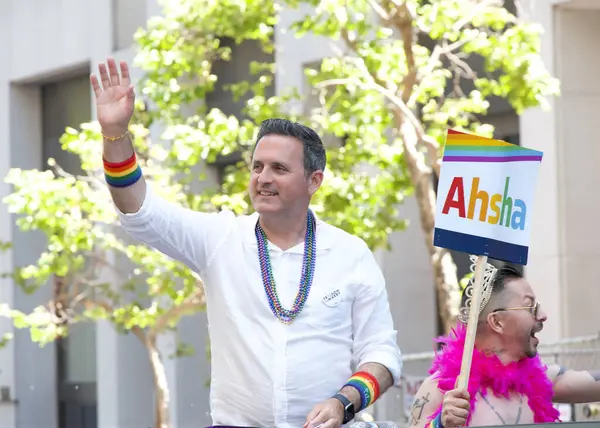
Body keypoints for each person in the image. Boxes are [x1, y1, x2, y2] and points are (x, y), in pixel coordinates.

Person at [90, 57, 403, 428]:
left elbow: (382, 354)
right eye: (257, 166)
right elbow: (139, 211)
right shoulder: (220, 239)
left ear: (314, 181)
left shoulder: (351, 254)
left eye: (279, 169)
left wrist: (342, 403)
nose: (263, 178)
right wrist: (115, 134)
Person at [409, 256, 600, 428]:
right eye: (530, 306)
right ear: (497, 322)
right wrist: (439, 424)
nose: (542, 316)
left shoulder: (543, 380)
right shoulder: (440, 388)